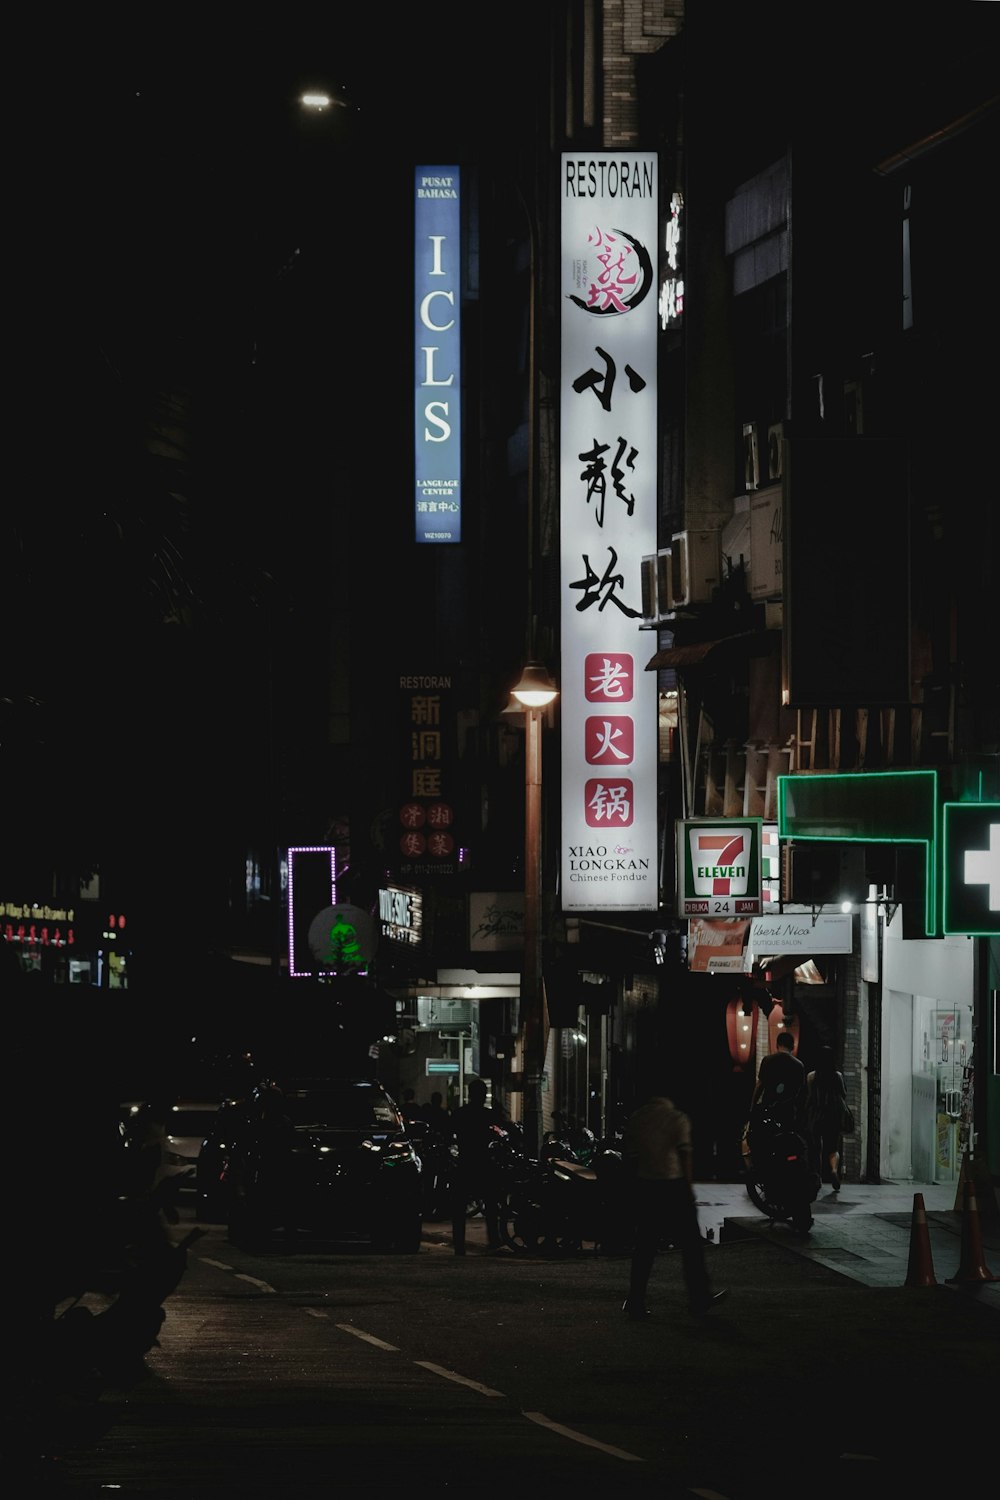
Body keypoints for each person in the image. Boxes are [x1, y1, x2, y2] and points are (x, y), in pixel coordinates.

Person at [622, 1094, 727, 1320]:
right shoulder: (677, 1118)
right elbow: (685, 1155)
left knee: (645, 1246)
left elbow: (631, 1158)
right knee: (691, 1245)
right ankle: (699, 1297)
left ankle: (635, 1299)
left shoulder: (637, 1119)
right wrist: (688, 1189)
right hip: (674, 1186)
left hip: (646, 1185)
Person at [449, 1077, 506, 1255]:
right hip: (484, 1163)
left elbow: (448, 1133)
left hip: (465, 1162)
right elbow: (503, 1131)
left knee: (459, 1207)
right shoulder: (489, 1115)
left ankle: (459, 1244)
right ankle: (494, 1238)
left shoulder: (459, 1114)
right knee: (490, 1203)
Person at [805, 1045, 849, 1191]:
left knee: (816, 1148)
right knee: (833, 1148)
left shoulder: (812, 1076)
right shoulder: (838, 1076)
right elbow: (843, 1094)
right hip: (833, 1116)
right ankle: (834, 1171)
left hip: (817, 1116)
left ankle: (817, 1177)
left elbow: (809, 1097)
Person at [750, 1029, 806, 1125]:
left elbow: (760, 1085)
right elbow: (801, 1091)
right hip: (788, 1110)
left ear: (777, 1045)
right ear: (793, 1046)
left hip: (768, 1106)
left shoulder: (767, 1060)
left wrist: (752, 1106)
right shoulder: (798, 1065)